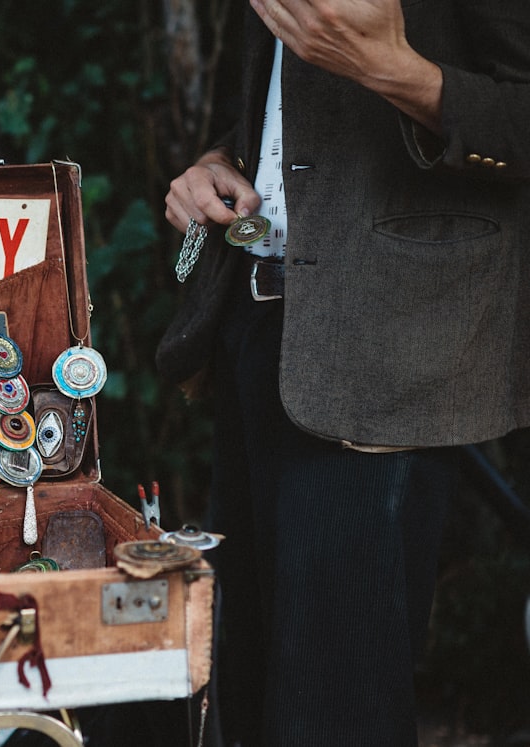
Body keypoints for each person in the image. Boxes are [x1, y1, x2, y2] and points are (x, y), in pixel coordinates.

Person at [157, 1, 530, 745]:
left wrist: (392, 69)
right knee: (247, 690)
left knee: (332, 713)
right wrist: (214, 164)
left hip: (388, 341)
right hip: (257, 325)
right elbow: (278, 119)